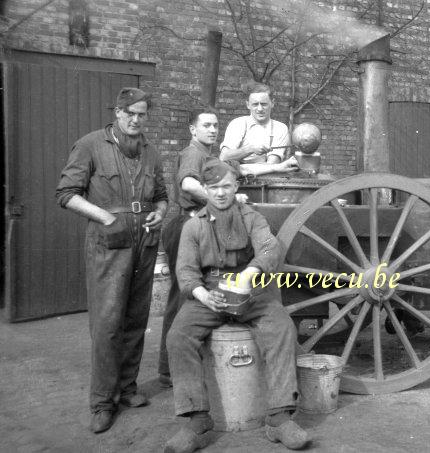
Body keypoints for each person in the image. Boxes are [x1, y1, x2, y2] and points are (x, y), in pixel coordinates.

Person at [164, 160, 310, 452]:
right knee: (178, 335)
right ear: (205, 189)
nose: (220, 193)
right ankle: (196, 419)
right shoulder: (194, 225)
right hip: (211, 294)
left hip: (251, 291)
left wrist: (249, 274)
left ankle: (279, 418)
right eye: (214, 187)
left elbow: (270, 248)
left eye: (227, 186)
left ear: (236, 186)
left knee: (281, 327)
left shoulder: (252, 218)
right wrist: (203, 295)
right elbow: (186, 272)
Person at [158, 107, 300, 388]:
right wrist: (218, 199)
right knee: (181, 303)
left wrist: (279, 167)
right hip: (199, 249)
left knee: (279, 324)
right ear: (193, 130)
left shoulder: (216, 162)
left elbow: (243, 170)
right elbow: (188, 183)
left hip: (241, 276)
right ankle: (172, 375)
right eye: (206, 125)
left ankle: (280, 412)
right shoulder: (193, 155)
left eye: (215, 125)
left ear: (235, 187)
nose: (212, 130)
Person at [56, 87, 168, 433]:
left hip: (144, 242)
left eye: (141, 114)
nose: (135, 120)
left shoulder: (150, 152)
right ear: (117, 112)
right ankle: (103, 401)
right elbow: (65, 195)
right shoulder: (90, 145)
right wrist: (106, 218)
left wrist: (159, 214)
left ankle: (128, 388)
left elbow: (163, 196)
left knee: (136, 318)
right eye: (129, 113)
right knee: (107, 324)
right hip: (109, 243)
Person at [220, 82, 298, 170]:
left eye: (264, 104)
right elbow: (224, 157)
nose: (260, 109)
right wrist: (250, 149)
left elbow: (271, 165)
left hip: (267, 178)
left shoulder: (280, 128)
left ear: (272, 103)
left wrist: (238, 164)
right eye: (255, 104)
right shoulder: (237, 124)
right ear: (248, 105)